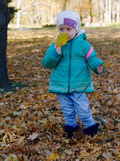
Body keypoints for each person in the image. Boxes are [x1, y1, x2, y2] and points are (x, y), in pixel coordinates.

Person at [42, 9, 106, 139]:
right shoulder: (56, 45)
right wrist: (56, 52)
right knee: (67, 109)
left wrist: (97, 66)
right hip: (61, 83)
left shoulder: (83, 44)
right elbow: (46, 63)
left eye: (68, 29)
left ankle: (90, 126)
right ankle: (70, 128)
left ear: (76, 29)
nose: (65, 32)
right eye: (61, 29)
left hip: (79, 82)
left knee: (82, 108)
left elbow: (92, 58)